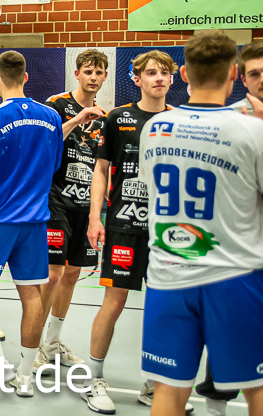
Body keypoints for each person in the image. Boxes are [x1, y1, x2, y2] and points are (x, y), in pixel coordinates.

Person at [138, 30, 263, 416]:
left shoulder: (154, 129)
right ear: (234, 75)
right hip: (235, 276)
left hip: (167, 277)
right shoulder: (252, 130)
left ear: (185, 74)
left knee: (169, 391)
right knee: (257, 389)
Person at [83, 51, 182, 413]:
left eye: (165, 73)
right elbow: (100, 170)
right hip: (124, 226)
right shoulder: (118, 118)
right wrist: (95, 218)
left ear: (173, 79)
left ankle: (155, 384)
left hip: (166, 231)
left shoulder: (180, 121)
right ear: (137, 79)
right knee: (114, 303)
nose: (159, 78)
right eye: (151, 73)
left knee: (162, 308)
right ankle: (93, 379)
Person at [0, 50, 63, 398]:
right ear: (26, 78)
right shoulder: (51, 117)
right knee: (31, 294)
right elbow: (54, 165)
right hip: (35, 221)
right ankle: (24, 376)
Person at [37, 49, 108, 371]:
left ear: (104, 76)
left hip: (85, 203)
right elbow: (45, 142)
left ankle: (52, 342)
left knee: (73, 273)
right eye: (88, 71)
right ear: (77, 74)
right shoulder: (57, 104)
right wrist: (78, 119)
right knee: (53, 274)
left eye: (99, 72)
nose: (93, 77)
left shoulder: (105, 118)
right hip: (55, 200)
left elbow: (102, 166)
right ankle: (33, 345)